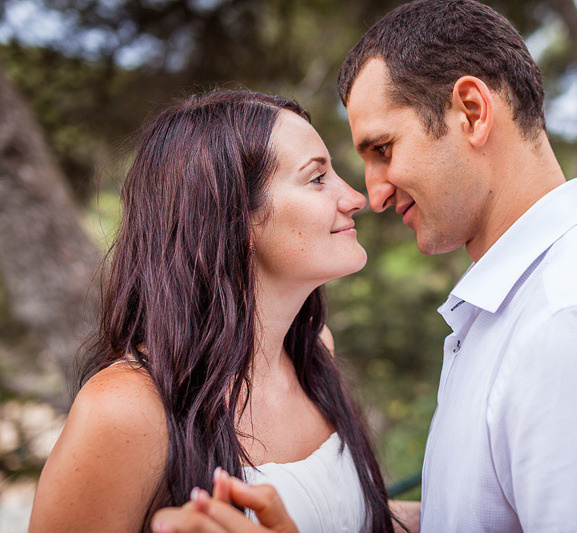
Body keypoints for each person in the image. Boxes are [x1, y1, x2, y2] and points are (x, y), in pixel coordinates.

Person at [153, 0, 577, 531]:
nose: (372, 195)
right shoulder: (534, 308)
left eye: (383, 150)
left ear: (472, 112)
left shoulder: (574, 328)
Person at [28, 90, 401, 533]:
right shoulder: (125, 408)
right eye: (317, 179)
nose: (356, 197)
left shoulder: (315, 353)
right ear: (231, 217)